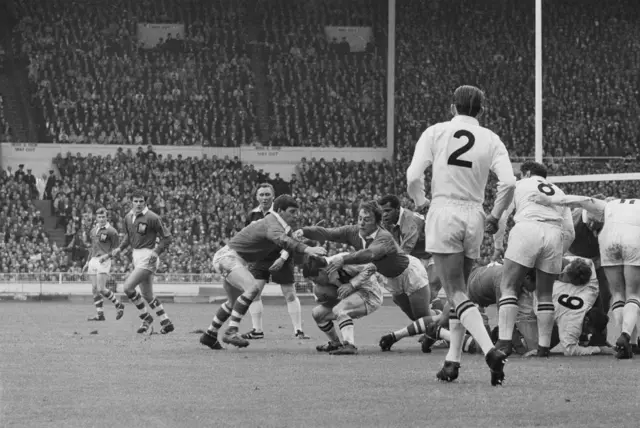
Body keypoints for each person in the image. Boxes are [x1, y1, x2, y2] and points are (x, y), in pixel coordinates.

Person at [406, 85, 516, 386]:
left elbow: (414, 176)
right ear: (481, 110)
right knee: (461, 292)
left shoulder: (435, 132)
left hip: (445, 209)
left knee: (453, 290)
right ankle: (452, 361)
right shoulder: (492, 139)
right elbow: (508, 182)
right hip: (475, 213)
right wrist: (495, 215)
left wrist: (420, 202)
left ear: (452, 107)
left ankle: (490, 351)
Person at [295, 201, 440, 351]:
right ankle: (443, 322)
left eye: (367, 219)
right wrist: (304, 231)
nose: (361, 223)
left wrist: (344, 260)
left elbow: (369, 254)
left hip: (409, 273)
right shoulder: (353, 232)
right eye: (360, 218)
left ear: (377, 222)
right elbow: (329, 233)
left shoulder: (384, 237)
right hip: (391, 279)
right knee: (416, 319)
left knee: (423, 317)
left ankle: (447, 320)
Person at [200, 195, 326, 350]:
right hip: (228, 257)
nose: (296, 215)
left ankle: (210, 334)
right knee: (252, 289)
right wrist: (308, 248)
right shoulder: (272, 222)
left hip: (231, 258)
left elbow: (286, 242)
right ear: (280, 210)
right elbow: (283, 240)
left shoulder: (278, 224)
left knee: (233, 303)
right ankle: (231, 331)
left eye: (296, 212)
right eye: (292, 212)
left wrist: (308, 241)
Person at [533, 193, 640, 359]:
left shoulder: (605, 208)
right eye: (594, 225)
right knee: (630, 294)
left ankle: (612, 340)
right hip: (579, 265)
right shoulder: (575, 221)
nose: (595, 229)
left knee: (609, 297)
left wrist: (550, 200)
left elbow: (579, 200)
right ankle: (626, 339)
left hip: (602, 257)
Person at [494, 161, 575, 358]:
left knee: (509, 286)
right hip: (554, 233)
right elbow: (570, 233)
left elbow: (503, 216)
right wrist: (558, 252)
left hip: (527, 227)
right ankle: (544, 348)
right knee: (545, 293)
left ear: (527, 173)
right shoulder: (558, 191)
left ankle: (504, 343)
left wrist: (498, 245)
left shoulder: (520, 185)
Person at [242, 183, 309, 341]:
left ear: (273, 196)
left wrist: (282, 258)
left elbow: (291, 238)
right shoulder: (251, 216)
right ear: (256, 197)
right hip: (260, 259)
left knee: (290, 293)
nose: (264, 197)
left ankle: (298, 331)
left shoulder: (282, 213)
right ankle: (257, 330)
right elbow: (248, 237)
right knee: (254, 293)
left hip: (282, 256)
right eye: (261, 195)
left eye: (267, 194)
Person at [101, 189, 174, 334]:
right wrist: (119, 249)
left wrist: (156, 251)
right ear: (131, 202)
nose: (138, 204)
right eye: (136, 201)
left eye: (141, 201)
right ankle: (166, 322)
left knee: (128, 287)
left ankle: (146, 318)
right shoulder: (128, 217)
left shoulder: (153, 217)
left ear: (145, 202)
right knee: (147, 295)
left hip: (149, 257)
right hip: (136, 256)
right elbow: (128, 237)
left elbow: (167, 237)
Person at [303, 253, 383, 355]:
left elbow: (372, 267)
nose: (314, 282)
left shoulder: (341, 262)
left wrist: (351, 285)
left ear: (323, 270)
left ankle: (349, 345)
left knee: (340, 309)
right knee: (317, 314)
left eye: (314, 279)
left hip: (370, 295)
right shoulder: (321, 277)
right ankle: (335, 343)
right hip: (352, 297)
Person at [378, 194, 441, 297]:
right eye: (382, 211)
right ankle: (434, 311)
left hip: (437, 251)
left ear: (397, 209)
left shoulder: (410, 220)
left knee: (430, 289)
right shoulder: (388, 224)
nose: (384, 215)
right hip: (421, 256)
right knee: (411, 294)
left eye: (388, 211)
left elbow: (404, 252)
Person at [83, 207, 124, 321]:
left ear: (107, 217)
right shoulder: (93, 230)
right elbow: (92, 248)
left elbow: (116, 250)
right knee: (94, 288)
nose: (101, 219)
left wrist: (107, 256)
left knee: (101, 288)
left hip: (104, 260)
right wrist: (87, 262)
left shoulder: (112, 231)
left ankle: (118, 304)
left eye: (103, 217)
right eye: (99, 217)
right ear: (96, 218)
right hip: (93, 260)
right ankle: (100, 315)